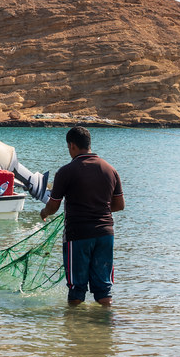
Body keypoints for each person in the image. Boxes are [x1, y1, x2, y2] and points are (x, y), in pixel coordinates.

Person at [40, 126, 125, 306]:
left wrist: (44, 212)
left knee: (77, 289)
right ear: (89, 144)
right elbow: (119, 205)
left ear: (71, 145)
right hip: (105, 234)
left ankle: (74, 329)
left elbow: (53, 206)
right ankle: (105, 327)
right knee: (103, 289)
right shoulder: (110, 170)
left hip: (77, 235)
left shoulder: (66, 172)